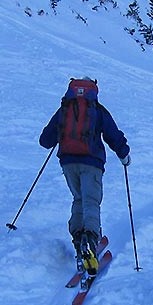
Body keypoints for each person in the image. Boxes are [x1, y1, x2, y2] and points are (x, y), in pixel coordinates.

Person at [39, 77, 130, 275]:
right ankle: (89, 242)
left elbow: (45, 140)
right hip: (92, 163)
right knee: (91, 202)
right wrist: (124, 154)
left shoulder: (65, 108)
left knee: (78, 199)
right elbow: (112, 134)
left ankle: (79, 240)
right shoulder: (97, 109)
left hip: (68, 162)